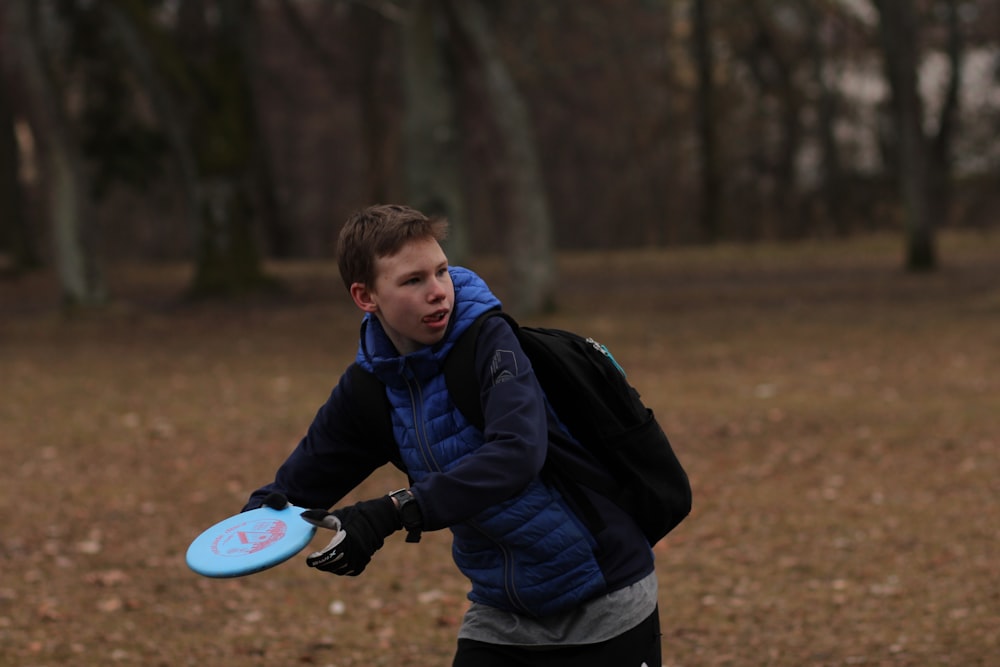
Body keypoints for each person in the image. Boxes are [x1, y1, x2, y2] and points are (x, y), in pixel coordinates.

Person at [244, 204, 662, 666]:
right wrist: (249, 526)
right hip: (503, 612)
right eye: (413, 281)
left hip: (605, 598)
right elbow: (301, 482)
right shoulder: (371, 387)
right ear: (365, 297)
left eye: (441, 271)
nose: (438, 292)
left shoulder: (489, 343)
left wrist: (394, 512)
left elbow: (517, 454)